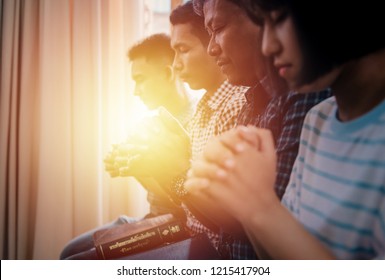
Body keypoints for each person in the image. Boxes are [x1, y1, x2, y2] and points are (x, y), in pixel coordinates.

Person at [185, 0, 385, 259]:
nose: (268, 46)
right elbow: (278, 254)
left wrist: (258, 205)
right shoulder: (318, 120)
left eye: (279, 19)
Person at [60, 1, 247, 259]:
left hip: (192, 233)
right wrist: (144, 169)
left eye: (182, 50)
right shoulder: (205, 107)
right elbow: (184, 194)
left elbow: (201, 208)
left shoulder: (231, 106)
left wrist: (166, 170)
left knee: (76, 259)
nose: (178, 64)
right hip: (184, 225)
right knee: (72, 254)